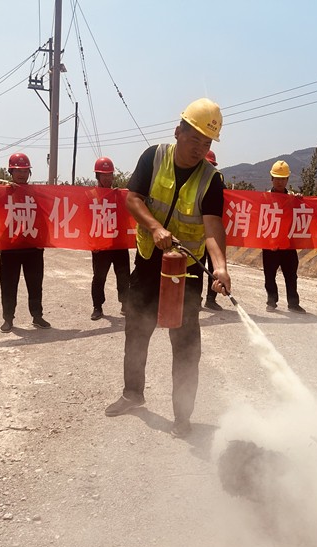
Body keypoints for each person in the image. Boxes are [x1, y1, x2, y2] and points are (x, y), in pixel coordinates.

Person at [103, 98, 231, 438]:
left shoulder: (212, 179)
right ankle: (132, 394)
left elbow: (213, 227)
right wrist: (155, 228)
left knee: (186, 344)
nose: (200, 148)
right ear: (178, 132)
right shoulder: (154, 157)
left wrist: (220, 267)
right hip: (149, 262)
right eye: (195, 139)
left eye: (207, 143)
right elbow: (133, 199)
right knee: (136, 330)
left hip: (187, 270)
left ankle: (182, 416)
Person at [0, 153, 51, 332]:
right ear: (10, 172)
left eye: (25, 171)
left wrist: (43, 240)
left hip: (33, 248)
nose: (22, 174)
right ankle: (8, 319)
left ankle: (37, 316)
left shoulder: (36, 193)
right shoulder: (3, 191)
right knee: (8, 286)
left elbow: (45, 217)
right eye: (18, 171)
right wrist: (2, 187)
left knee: (35, 284)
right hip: (10, 247)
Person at [89, 156, 130, 320]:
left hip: (118, 242)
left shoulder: (118, 194)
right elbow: (86, 222)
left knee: (123, 275)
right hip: (100, 245)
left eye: (109, 175)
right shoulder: (90, 195)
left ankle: (125, 303)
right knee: (99, 277)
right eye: (103, 175)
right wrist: (92, 243)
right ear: (97, 176)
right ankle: (97, 307)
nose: (107, 178)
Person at [262, 160, 305, 314]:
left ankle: (293, 304)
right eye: (277, 178)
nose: (280, 182)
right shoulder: (264, 198)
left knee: (291, 275)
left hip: (288, 244)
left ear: (287, 180)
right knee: (270, 275)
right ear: (271, 178)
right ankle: (271, 301)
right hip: (270, 244)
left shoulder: (293, 198)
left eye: (283, 179)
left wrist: (300, 200)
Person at [202, 149, 223, 311]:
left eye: (211, 165)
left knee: (213, 268)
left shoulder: (217, 180)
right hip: (195, 233)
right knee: (195, 267)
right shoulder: (192, 182)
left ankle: (211, 298)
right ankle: (193, 298)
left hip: (212, 233)